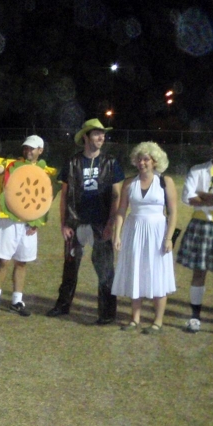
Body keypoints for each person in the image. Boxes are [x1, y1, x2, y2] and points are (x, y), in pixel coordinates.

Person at [0, 135, 56, 317]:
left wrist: (37, 222)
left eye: (32, 148)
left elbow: (45, 199)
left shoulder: (45, 171)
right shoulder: (11, 164)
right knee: (3, 261)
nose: (27, 151)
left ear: (40, 150)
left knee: (22, 263)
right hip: (8, 221)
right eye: (25, 148)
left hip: (28, 224)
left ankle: (17, 301)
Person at [46, 119, 125, 324]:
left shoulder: (110, 163)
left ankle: (107, 314)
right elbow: (64, 197)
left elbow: (116, 196)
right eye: (97, 134)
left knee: (105, 270)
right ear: (85, 137)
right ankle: (63, 306)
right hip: (75, 223)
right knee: (70, 267)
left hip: (101, 224)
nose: (101, 137)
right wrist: (63, 224)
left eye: (103, 134)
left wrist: (111, 224)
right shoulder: (72, 163)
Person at [112, 142, 177, 333]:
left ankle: (157, 321)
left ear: (155, 161)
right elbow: (122, 210)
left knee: (158, 274)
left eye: (146, 159)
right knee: (136, 272)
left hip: (158, 233)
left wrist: (169, 238)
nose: (142, 162)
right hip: (134, 231)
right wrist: (117, 234)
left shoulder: (166, 182)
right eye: (139, 159)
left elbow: (173, 213)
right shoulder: (129, 183)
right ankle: (135, 319)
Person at [176, 133, 213, 333]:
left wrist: (202, 195)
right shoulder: (197, 169)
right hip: (200, 225)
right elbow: (187, 197)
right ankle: (195, 317)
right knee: (198, 272)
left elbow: (197, 196)